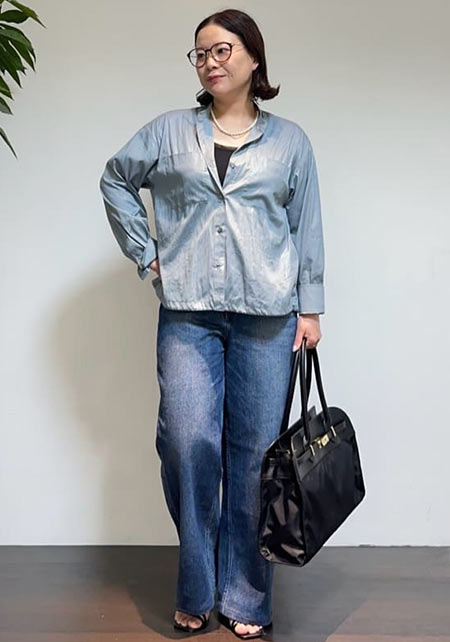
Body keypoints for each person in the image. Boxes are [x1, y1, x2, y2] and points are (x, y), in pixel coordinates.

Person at [99, 8, 325, 639]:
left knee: (255, 457)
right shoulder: (169, 132)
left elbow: (306, 225)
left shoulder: (290, 142)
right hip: (188, 313)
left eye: (222, 49)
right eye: (200, 53)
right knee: (187, 444)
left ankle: (246, 597)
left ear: (253, 57)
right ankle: (197, 587)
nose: (209, 61)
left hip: (268, 317)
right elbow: (116, 179)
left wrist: (311, 308)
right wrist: (147, 254)